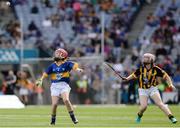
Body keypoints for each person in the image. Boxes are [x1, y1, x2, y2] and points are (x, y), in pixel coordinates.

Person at [122, 53, 177, 124]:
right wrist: (127, 78)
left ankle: (171, 117)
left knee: (160, 104)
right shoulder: (141, 69)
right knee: (144, 107)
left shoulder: (156, 69)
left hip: (152, 88)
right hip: (142, 90)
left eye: (146, 57)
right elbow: (134, 75)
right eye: (144, 57)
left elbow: (166, 76)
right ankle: (139, 115)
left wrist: (170, 84)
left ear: (151, 60)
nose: (144, 59)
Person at [36, 48, 83, 125]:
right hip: (55, 86)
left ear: (63, 55)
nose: (56, 55)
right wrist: (41, 79)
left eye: (58, 53)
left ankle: (73, 118)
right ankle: (53, 120)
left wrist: (78, 69)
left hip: (64, 85)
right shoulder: (52, 65)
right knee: (54, 104)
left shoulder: (67, 64)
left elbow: (74, 65)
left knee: (66, 100)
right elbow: (46, 73)